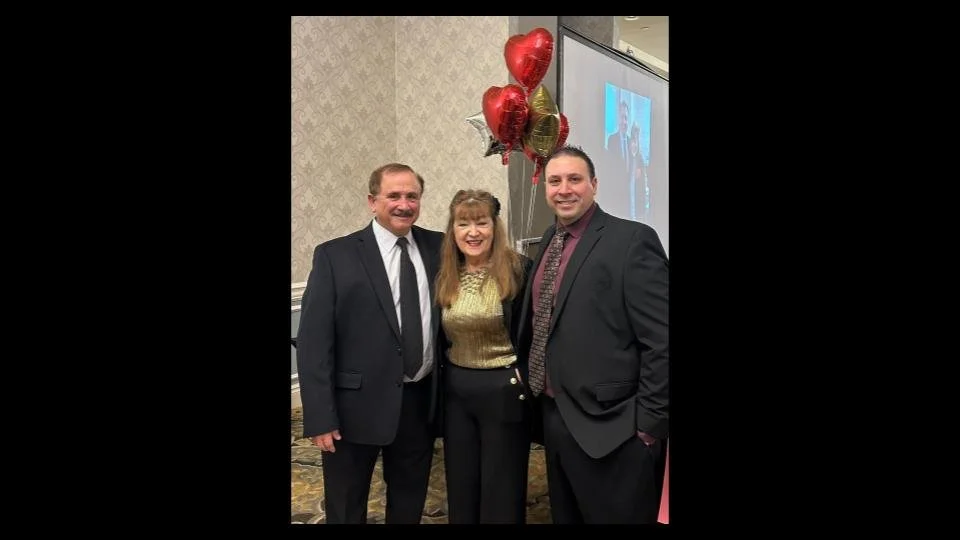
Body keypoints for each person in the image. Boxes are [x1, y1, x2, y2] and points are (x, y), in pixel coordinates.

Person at [518, 145, 669, 523]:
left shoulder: (632, 240)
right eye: (555, 181)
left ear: (594, 185)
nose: (564, 189)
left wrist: (647, 428)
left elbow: (662, 340)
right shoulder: (548, 241)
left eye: (574, 179)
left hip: (616, 430)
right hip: (555, 421)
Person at [295, 163, 444, 524]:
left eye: (412, 196)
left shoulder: (439, 246)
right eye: (393, 195)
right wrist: (319, 416)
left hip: (418, 400)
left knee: (409, 501)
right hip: (352, 409)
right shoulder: (335, 255)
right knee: (347, 505)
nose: (404, 204)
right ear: (372, 201)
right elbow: (315, 342)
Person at [434, 189, 534, 524]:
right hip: (457, 391)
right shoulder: (446, 271)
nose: (473, 232)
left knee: (501, 486)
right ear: (453, 230)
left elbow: (536, 332)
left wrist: (526, 377)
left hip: (504, 388)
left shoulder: (519, 270)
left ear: (495, 226)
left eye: (481, 222)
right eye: (463, 223)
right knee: (461, 483)